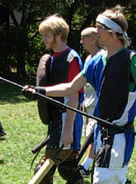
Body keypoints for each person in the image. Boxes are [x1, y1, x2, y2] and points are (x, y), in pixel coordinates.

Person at [23, 6, 136, 183]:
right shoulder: (97, 60)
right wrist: (40, 91)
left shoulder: (131, 60)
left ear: (112, 32)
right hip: (100, 134)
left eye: (99, 27)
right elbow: (70, 87)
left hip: (120, 136)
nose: (96, 31)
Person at [28, 14, 84, 184]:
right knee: (68, 169)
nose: (43, 39)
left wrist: (67, 130)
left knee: (43, 172)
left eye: (46, 35)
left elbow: (73, 94)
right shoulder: (54, 57)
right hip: (57, 121)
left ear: (58, 35)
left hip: (67, 120)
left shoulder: (70, 58)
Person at [77, 27, 103, 178]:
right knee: (89, 134)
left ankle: (88, 166)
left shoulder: (101, 58)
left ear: (93, 39)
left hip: (97, 104)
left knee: (93, 135)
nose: (81, 42)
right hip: (87, 103)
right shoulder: (88, 58)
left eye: (83, 38)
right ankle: (89, 164)